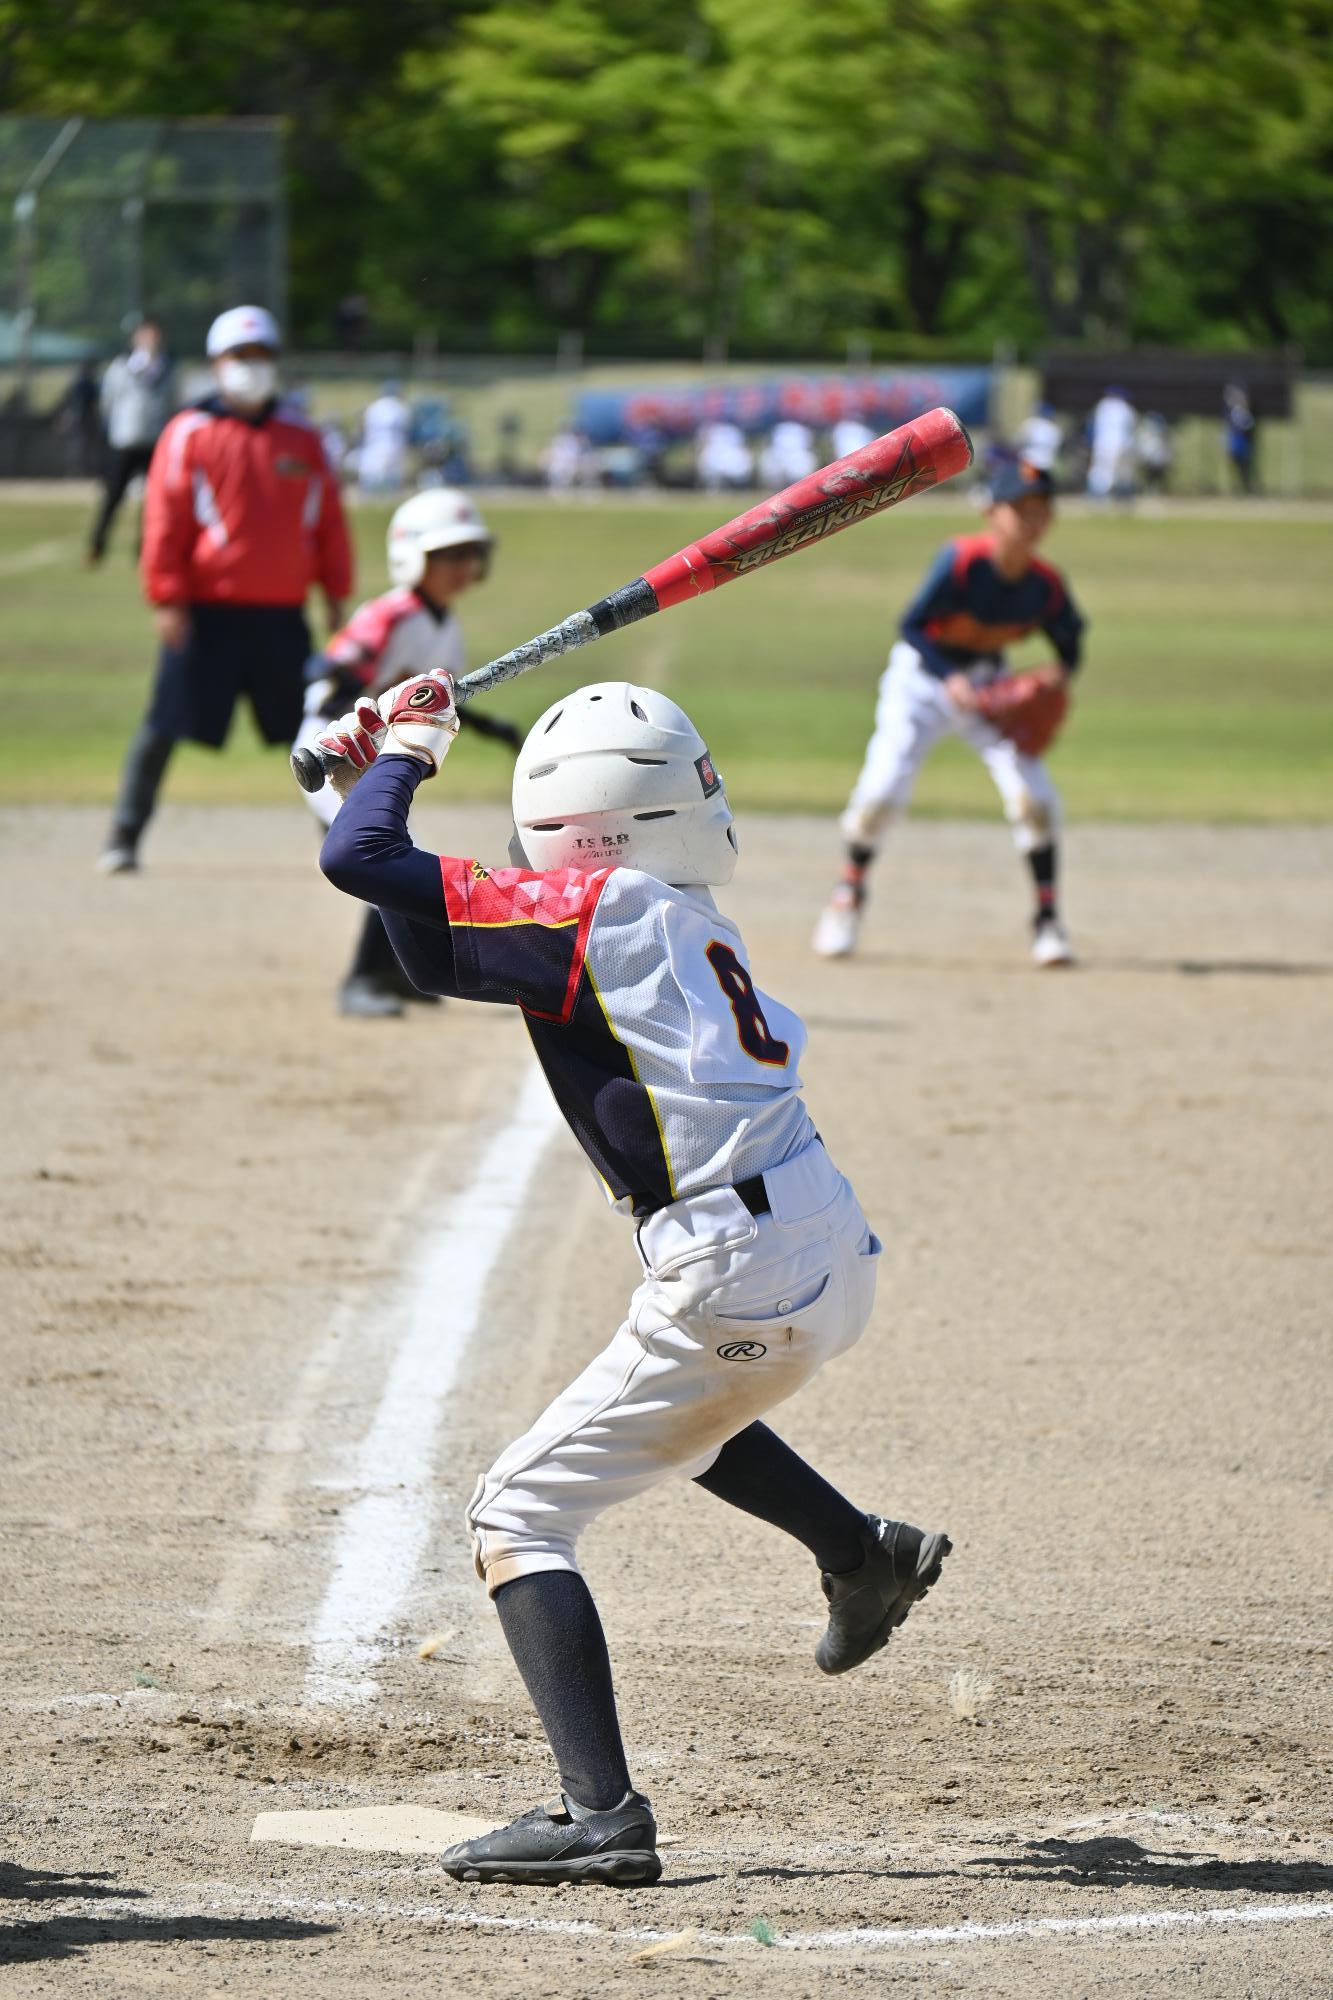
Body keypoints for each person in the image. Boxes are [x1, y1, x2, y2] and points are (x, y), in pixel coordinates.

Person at [314, 674, 951, 1887]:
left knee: (516, 1512)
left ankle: (598, 1811)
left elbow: (363, 862)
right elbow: (429, 945)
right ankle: (862, 1555)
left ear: (570, 819)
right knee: (680, 1417)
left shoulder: (591, 909)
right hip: (817, 1239)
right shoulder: (660, 906)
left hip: (733, 1265)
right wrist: (363, 775)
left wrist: (406, 747)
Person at [97, 305, 351, 875]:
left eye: (261, 356)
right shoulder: (189, 433)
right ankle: (124, 833)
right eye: (240, 356)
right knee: (164, 724)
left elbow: (328, 521)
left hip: (281, 616)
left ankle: (344, 841)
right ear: (217, 363)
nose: (251, 367)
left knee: (312, 734)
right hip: (206, 613)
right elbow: (164, 520)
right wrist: (166, 595)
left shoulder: (302, 437)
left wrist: (335, 592)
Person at [811, 460, 1086, 969]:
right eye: (1020, 508)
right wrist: (948, 676)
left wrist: (1057, 675)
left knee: (1036, 801)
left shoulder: (1045, 585)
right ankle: (848, 895)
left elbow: (1070, 642)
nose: (1032, 520)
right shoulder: (961, 562)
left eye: (1041, 509)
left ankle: (1047, 920)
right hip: (920, 682)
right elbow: (913, 625)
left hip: (988, 690)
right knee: (881, 793)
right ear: (992, 512)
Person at [293, 487, 519, 1017]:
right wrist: (350, 692)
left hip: (375, 757)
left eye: (470, 554)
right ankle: (361, 981)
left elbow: (439, 699)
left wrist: (492, 728)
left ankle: (399, 975)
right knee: (377, 855)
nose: (465, 566)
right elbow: (328, 670)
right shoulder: (391, 613)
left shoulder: (446, 628)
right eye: (450, 555)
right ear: (413, 557)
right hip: (331, 752)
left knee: (387, 851)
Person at [86, 318, 173, 564]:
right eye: (146, 334)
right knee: (113, 495)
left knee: (153, 500)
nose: (151, 340)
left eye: (155, 335)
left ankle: (145, 549)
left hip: (154, 442)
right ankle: (97, 545)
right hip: (124, 441)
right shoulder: (122, 366)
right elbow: (108, 401)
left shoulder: (167, 368)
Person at [357, 382, 413, 492]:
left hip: (376, 442)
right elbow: (407, 428)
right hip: (396, 441)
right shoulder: (400, 406)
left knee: (372, 471)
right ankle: (390, 494)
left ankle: (372, 494)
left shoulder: (374, 406)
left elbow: (364, 427)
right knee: (392, 472)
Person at [1086, 385, 1137, 500]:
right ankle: (1120, 496)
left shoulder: (1101, 406)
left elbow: (1092, 426)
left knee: (1099, 470)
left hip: (1100, 443)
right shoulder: (1124, 408)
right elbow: (1129, 428)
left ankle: (1096, 495)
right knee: (1119, 472)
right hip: (1118, 444)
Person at [694, 418, 753, 492]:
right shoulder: (709, 430)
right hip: (713, 458)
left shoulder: (733, 431)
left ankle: (741, 489)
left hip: (732, 459)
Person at [758, 417, 817, 487]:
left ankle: (800, 490)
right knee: (768, 460)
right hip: (778, 453)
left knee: (803, 464)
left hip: (798, 454)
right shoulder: (777, 427)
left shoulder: (803, 429)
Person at [1222, 384, 1257, 494]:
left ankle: (1247, 488)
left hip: (1243, 445)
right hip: (1236, 445)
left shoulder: (1243, 413)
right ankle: (1241, 488)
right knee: (1238, 468)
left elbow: (1248, 427)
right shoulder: (1234, 412)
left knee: (1245, 468)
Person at [1014, 401, 1062, 474]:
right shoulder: (1055, 429)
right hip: (1047, 464)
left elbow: (1018, 441)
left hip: (1030, 463)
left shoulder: (1032, 423)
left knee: (1025, 484)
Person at [1135, 410, 1173, 495]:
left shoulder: (1162, 432)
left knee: (1157, 477)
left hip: (1158, 458)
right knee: (1149, 476)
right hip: (1149, 458)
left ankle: (1155, 491)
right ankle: (1149, 491)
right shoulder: (1145, 431)